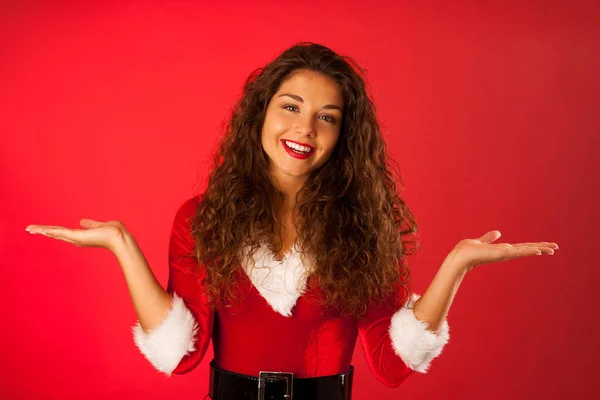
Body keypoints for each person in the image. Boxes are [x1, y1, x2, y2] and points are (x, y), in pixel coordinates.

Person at [25, 42, 558, 400]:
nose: (305, 128)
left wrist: (457, 264)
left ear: (344, 135)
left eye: (328, 117)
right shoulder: (204, 219)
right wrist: (121, 243)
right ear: (261, 113)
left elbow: (393, 363)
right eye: (291, 106)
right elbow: (180, 354)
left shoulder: (369, 224)